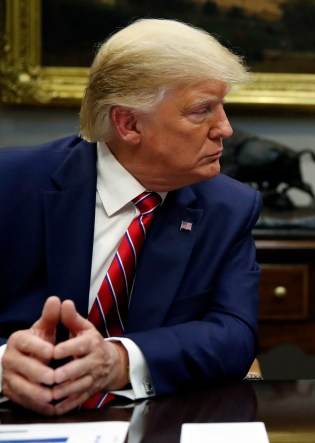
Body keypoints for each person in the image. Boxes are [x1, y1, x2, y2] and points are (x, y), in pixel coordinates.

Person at [0, 18, 261, 415]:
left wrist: (119, 361)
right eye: (201, 111)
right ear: (129, 123)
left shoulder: (228, 208)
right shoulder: (12, 186)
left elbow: (234, 334)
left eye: (222, 107)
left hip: (152, 424)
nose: (224, 128)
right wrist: (3, 365)